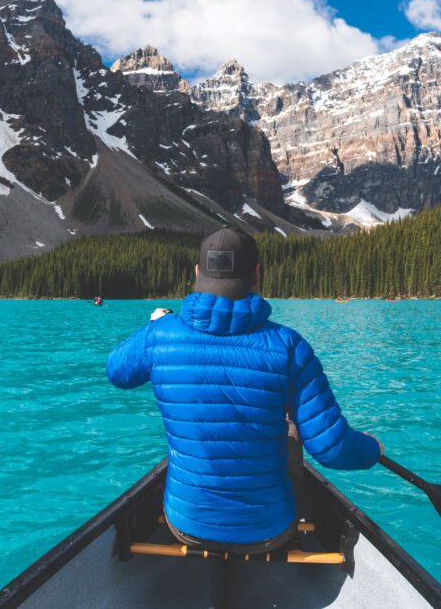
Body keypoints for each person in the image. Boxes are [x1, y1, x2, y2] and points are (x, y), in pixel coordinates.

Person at [106, 227, 381, 551]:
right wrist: (372, 449)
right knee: (292, 431)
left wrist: (154, 325)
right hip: (270, 530)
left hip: (184, 525)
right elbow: (332, 450)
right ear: (256, 274)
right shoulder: (289, 346)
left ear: (197, 272)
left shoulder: (159, 335)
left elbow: (117, 373)